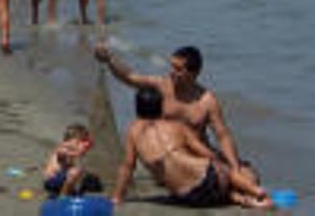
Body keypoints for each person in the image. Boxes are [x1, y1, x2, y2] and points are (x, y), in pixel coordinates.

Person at [94, 44, 248, 174]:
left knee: (245, 171)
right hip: (168, 155)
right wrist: (109, 59)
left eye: (178, 69)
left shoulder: (207, 101)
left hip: (198, 155)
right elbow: (130, 77)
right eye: (172, 66)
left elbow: (222, 136)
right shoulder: (162, 86)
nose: (172, 72)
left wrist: (234, 166)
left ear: (194, 73)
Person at [112, 87, 272, 209]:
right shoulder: (176, 126)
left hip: (190, 197)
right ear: (161, 107)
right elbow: (206, 152)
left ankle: (246, 201)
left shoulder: (133, 131)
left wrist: (117, 197)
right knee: (224, 172)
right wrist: (225, 166)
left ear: (137, 108)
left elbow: (127, 167)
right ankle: (256, 192)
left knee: (207, 192)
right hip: (212, 179)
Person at [43, 124, 97, 198]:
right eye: (79, 141)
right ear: (70, 140)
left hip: (62, 179)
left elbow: (91, 143)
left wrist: (87, 142)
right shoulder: (63, 147)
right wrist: (77, 152)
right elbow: (61, 153)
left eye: (83, 141)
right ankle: (62, 197)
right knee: (75, 171)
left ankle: (68, 191)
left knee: (79, 172)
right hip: (52, 180)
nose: (81, 144)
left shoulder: (74, 148)